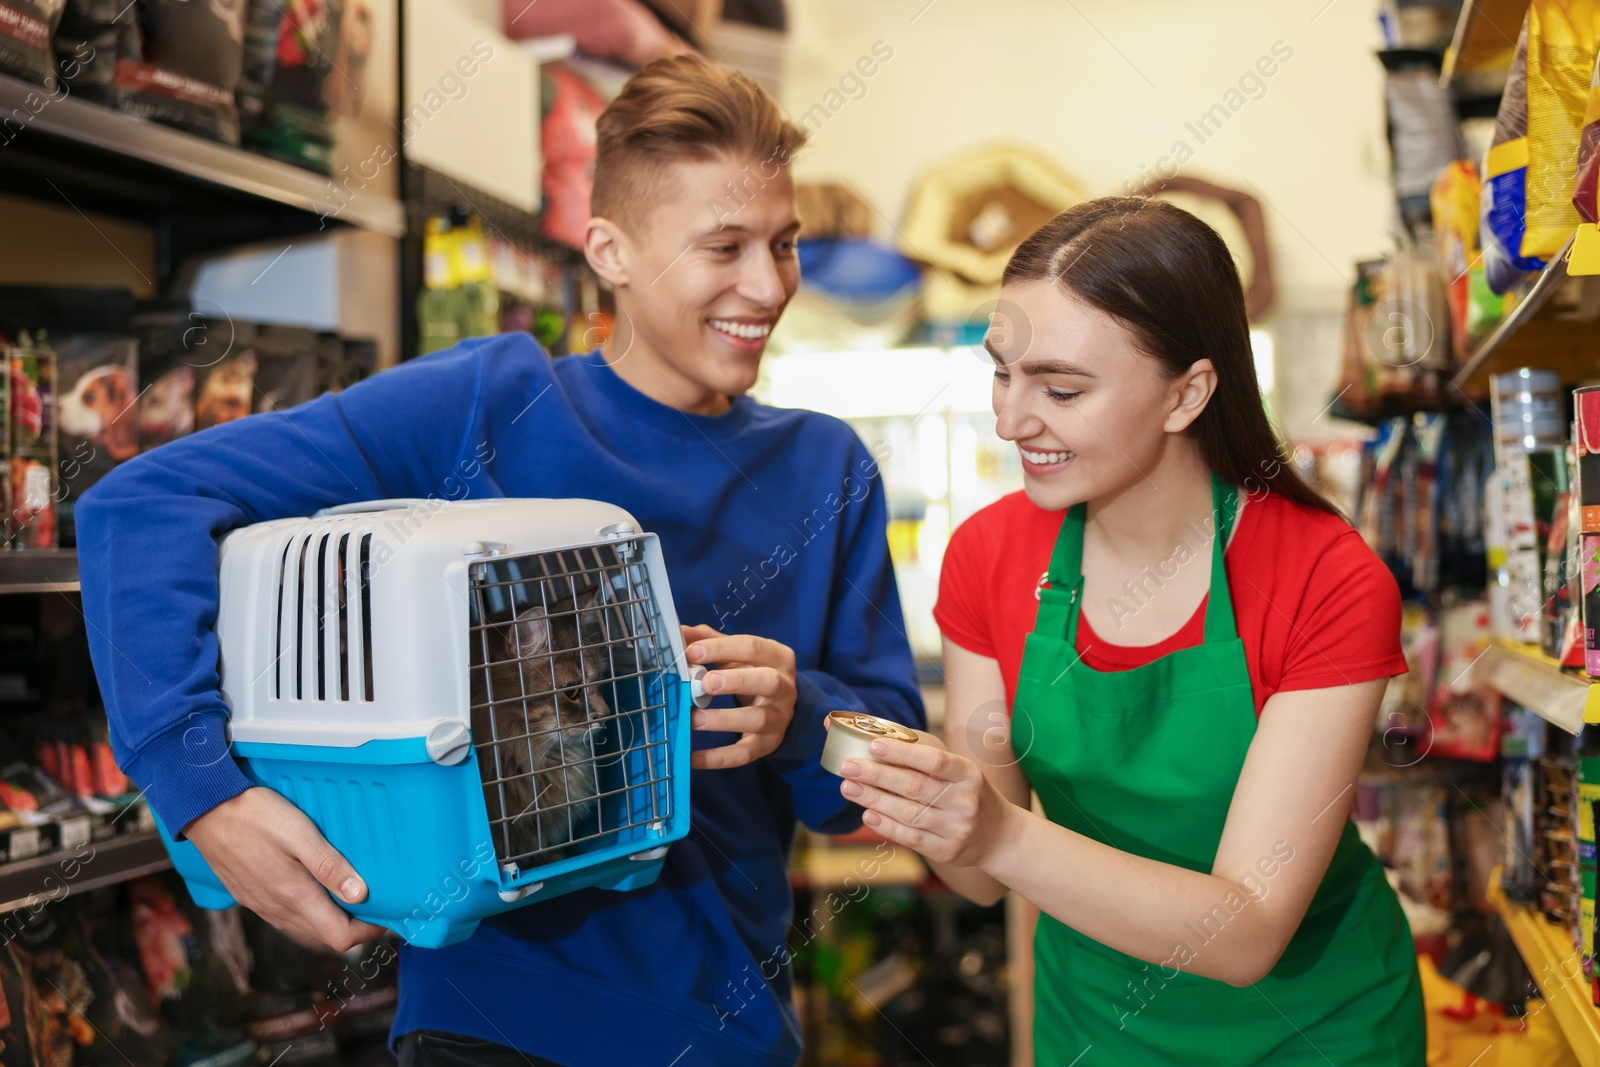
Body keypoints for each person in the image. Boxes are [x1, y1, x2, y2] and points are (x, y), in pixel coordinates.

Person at [76, 54, 923, 1067]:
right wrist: (203, 788)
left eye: (784, 245)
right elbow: (143, 501)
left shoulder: (826, 466)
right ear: (609, 248)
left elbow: (883, 776)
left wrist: (801, 719)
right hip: (487, 1024)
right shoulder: (485, 401)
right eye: (724, 246)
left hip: (723, 1029)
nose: (767, 283)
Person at [835, 198, 1425, 1065]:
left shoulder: (1324, 578)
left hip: (1319, 1030)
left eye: (1062, 388)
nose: (1012, 420)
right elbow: (980, 877)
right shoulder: (990, 556)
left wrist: (997, 833)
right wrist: (926, 798)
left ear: (1187, 392)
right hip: (1097, 1029)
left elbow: (1245, 932)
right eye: (1002, 373)